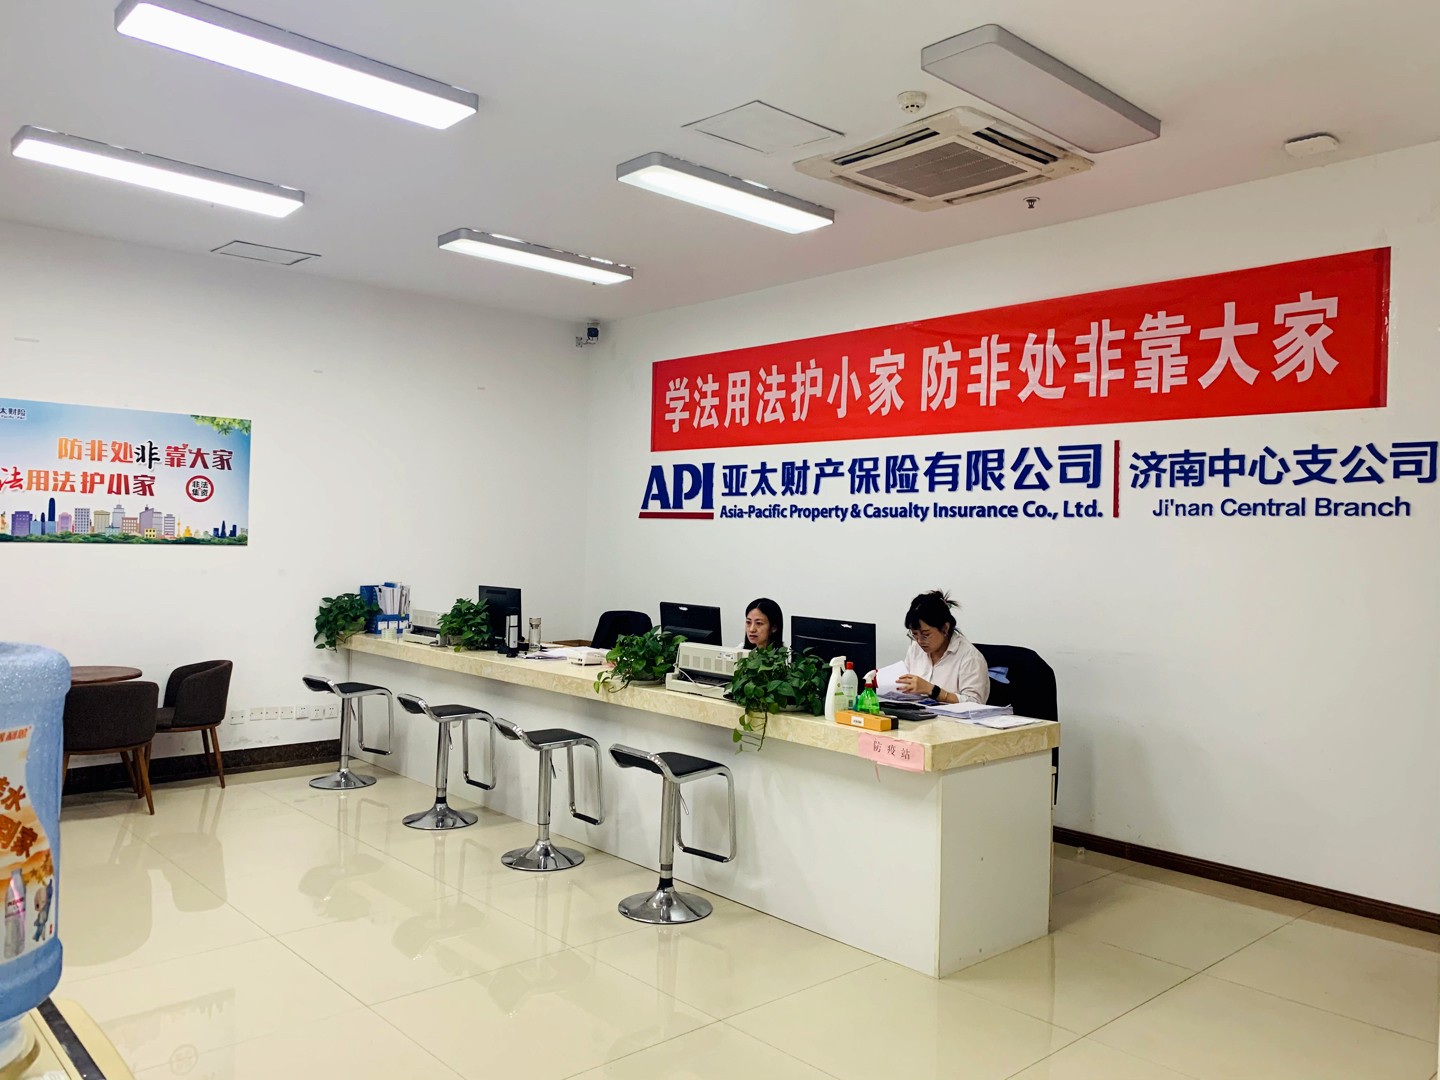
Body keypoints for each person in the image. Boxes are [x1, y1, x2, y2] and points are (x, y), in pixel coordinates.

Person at [895, 590, 989, 704]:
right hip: (916, 713)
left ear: (945, 628)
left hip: (950, 716)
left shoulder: (970, 657)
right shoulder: (915, 648)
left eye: (926, 634)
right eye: (914, 634)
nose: (919, 641)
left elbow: (975, 704)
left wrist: (933, 691)